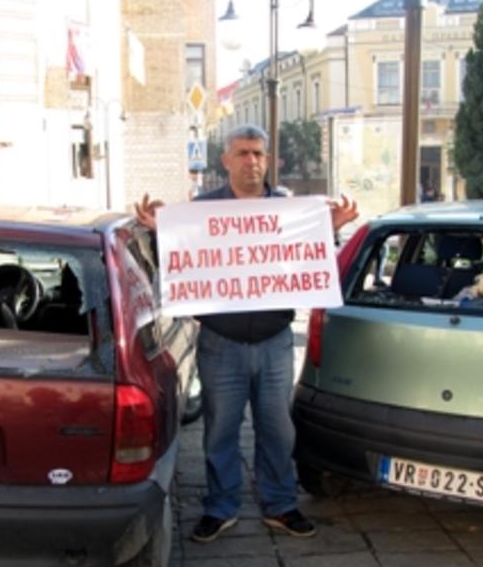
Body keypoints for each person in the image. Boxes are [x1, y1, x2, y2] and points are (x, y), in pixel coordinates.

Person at [135, 124, 358, 543]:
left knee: (277, 427)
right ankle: (221, 506)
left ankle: (280, 503)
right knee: (220, 429)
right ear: (225, 160)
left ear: (268, 160)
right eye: (242, 153)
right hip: (221, 343)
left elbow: (308, 260)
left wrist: (332, 228)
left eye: (257, 153)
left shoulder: (291, 211)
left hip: (275, 341)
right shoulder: (201, 210)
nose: (251, 161)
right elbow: (179, 263)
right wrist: (157, 231)